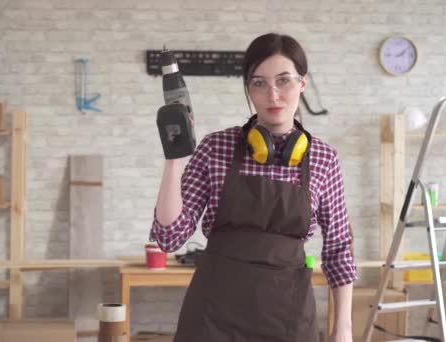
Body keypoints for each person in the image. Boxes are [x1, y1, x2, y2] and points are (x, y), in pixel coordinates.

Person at [151, 32, 357, 342]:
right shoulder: (215, 148)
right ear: (248, 89)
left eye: (284, 81)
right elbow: (169, 238)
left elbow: (339, 249)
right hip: (213, 318)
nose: (273, 96)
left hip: (289, 317)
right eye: (259, 83)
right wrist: (175, 156)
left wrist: (343, 329)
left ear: (303, 83)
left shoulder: (324, 158)